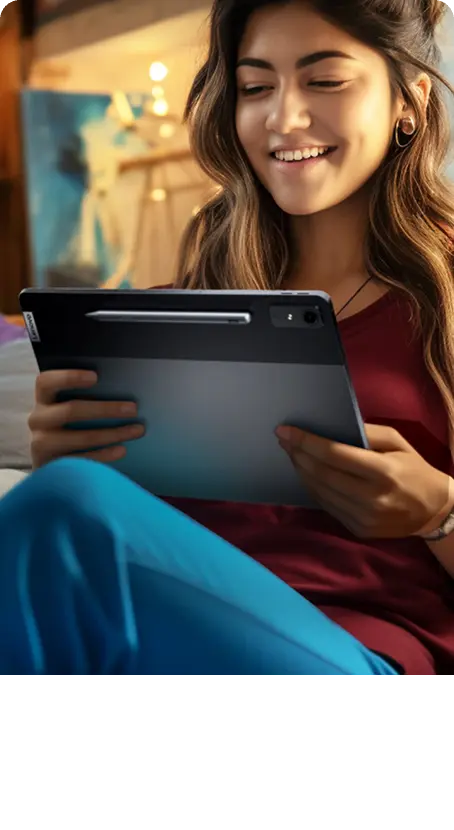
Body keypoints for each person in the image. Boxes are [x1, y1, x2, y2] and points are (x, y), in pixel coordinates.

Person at [2, 0, 454, 678]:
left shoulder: (444, 296)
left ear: (409, 101)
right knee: (61, 499)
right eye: (255, 87)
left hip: (359, 663)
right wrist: (70, 450)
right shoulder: (171, 317)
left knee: (66, 511)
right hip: (161, 654)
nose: (283, 117)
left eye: (324, 80)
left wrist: (439, 513)